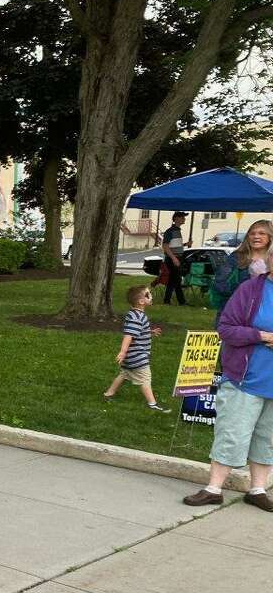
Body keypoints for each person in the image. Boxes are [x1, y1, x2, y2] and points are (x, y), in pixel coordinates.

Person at [183, 268, 273, 512]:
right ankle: (214, 489)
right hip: (246, 380)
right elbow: (226, 328)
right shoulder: (251, 290)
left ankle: (258, 490)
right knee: (232, 433)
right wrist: (262, 335)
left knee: (268, 440)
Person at [102, 284, 170, 412]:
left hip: (131, 356)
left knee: (124, 374)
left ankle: (109, 393)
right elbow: (129, 335)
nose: (151, 296)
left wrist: (149, 332)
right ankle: (152, 404)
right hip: (137, 355)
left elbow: (136, 331)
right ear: (141, 301)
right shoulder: (138, 316)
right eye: (148, 294)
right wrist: (122, 352)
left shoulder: (133, 314)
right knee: (145, 378)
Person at [211, 219, 271, 321]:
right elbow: (219, 284)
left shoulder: (271, 259)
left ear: (270, 237)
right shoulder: (236, 258)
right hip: (236, 312)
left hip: (266, 314)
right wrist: (249, 286)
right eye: (252, 234)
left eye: (262, 233)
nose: (256, 236)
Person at [161, 211, 188, 305]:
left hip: (177, 258)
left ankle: (179, 301)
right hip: (173, 259)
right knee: (174, 280)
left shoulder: (177, 231)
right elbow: (165, 246)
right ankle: (169, 301)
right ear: (176, 218)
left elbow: (174, 245)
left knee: (176, 280)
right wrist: (174, 258)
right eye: (182, 217)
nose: (184, 219)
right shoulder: (170, 231)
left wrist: (185, 244)